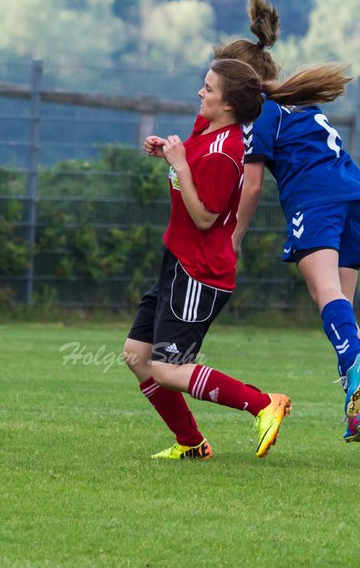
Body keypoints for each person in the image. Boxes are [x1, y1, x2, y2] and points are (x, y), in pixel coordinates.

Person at [218, 0, 360, 443]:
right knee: (342, 312)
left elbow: (253, 185)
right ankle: (359, 409)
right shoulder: (304, 107)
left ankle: (357, 366)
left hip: (313, 204)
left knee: (326, 294)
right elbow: (339, 165)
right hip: (351, 201)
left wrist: (233, 239)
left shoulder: (262, 115)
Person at [123, 58, 292, 461]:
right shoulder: (207, 129)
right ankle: (192, 444)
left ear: (228, 105)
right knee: (137, 356)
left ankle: (264, 402)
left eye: (209, 89)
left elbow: (204, 217)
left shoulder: (227, 151)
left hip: (200, 273)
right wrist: (167, 152)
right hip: (177, 261)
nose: (201, 93)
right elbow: (188, 171)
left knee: (166, 369)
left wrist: (179, 163)